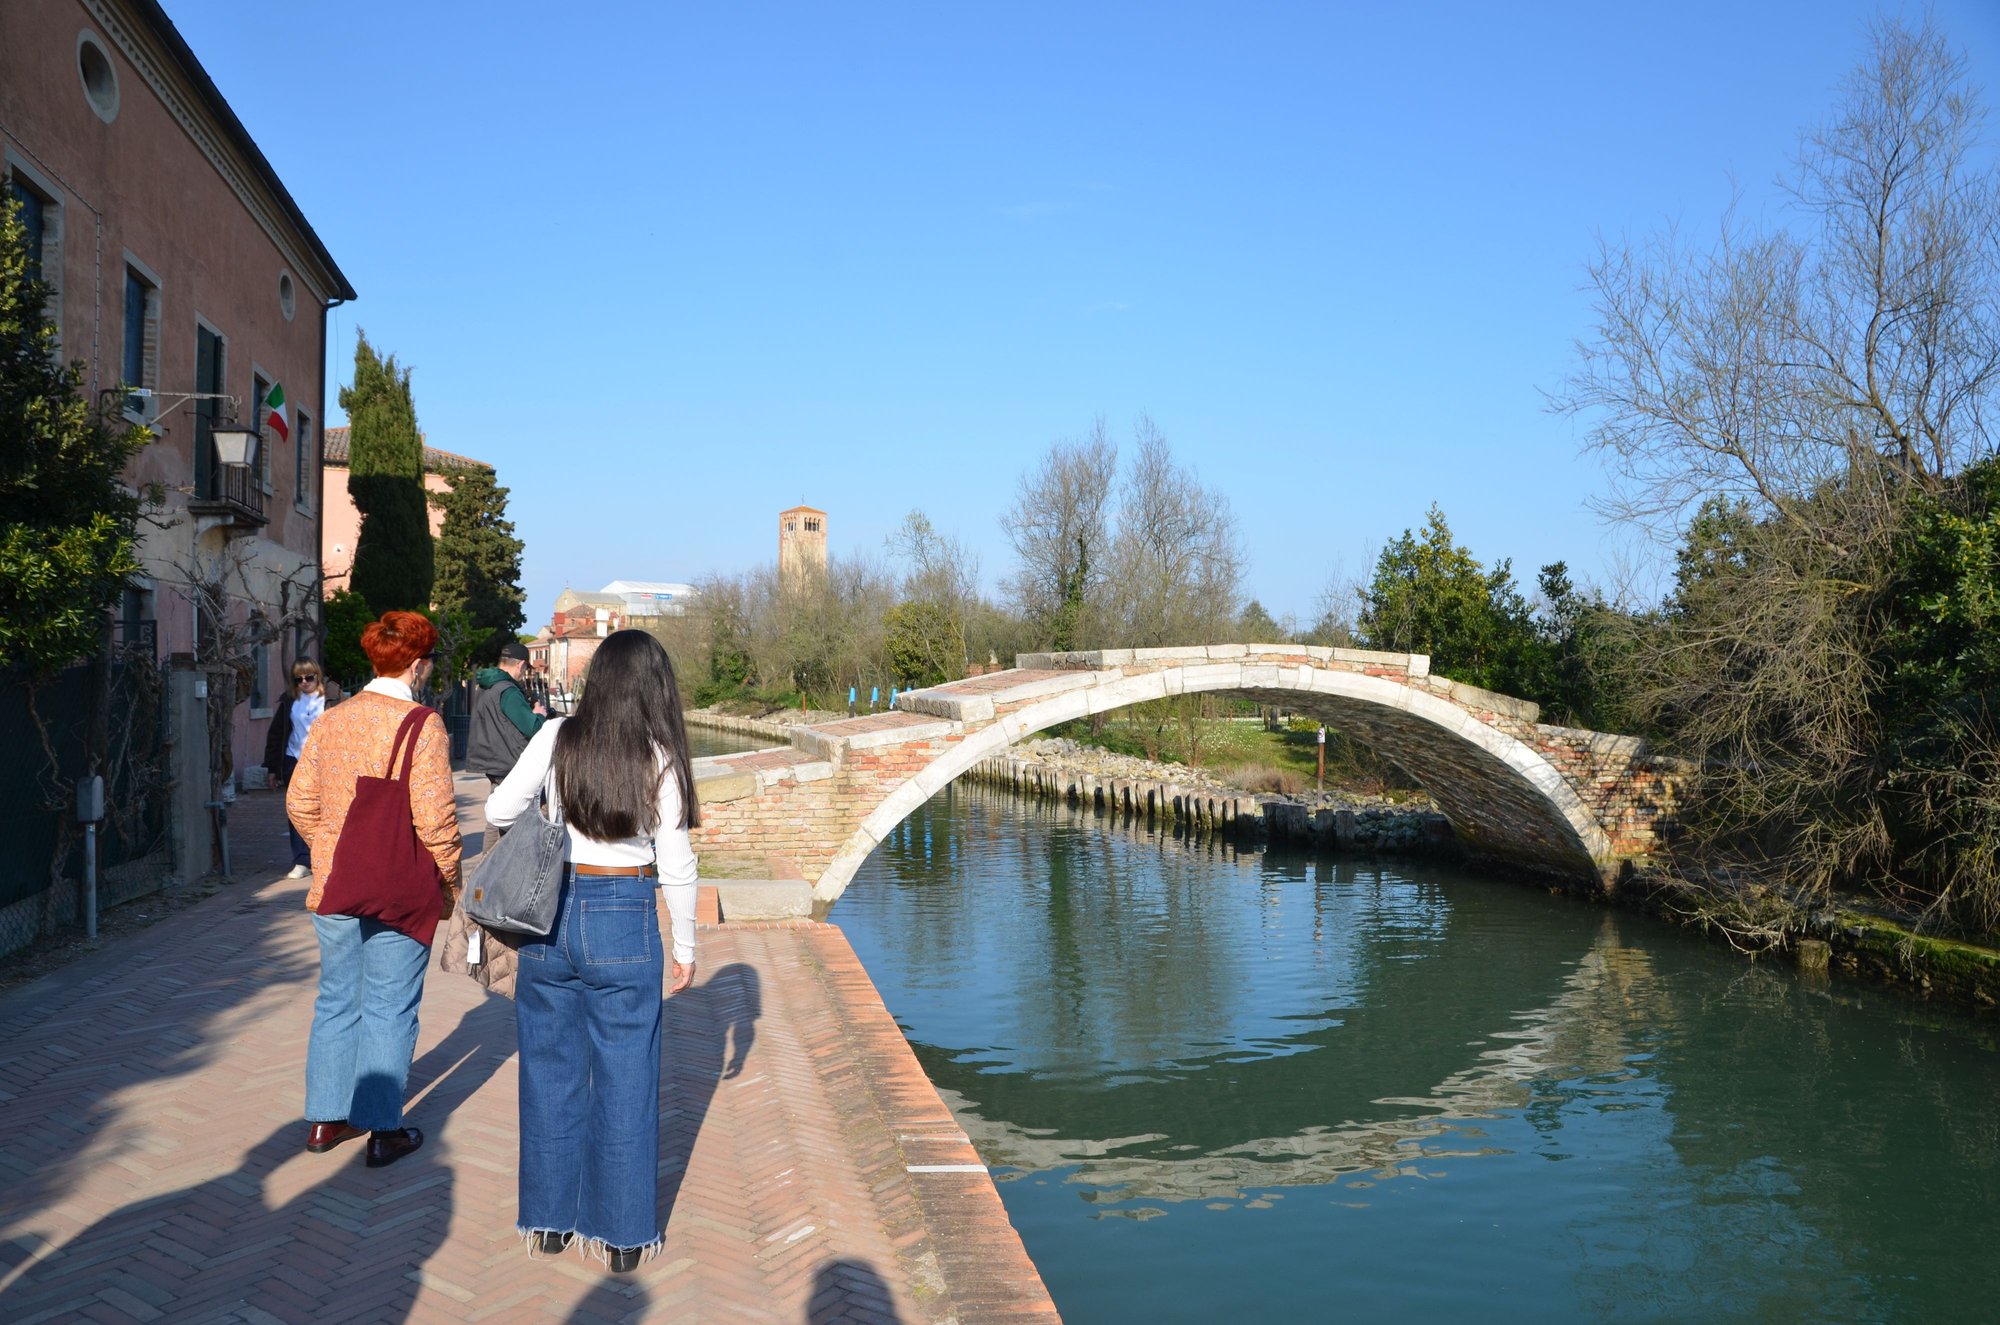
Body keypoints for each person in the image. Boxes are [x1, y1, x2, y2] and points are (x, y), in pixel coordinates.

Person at [486, 629, 699, 1273]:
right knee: (627, 1077)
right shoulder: (660, 756)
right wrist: (685, 946)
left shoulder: (555, 737)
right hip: (624, 913)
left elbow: (498, 805)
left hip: (551, 914)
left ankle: (549, 1223)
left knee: (549, 1070)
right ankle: (624, 1235)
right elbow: (679, 862)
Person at [286, 611, 462, 1168]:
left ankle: (324, 1120)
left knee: (337, 999)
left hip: (336, 886)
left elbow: (299, 801)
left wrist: (330, 849)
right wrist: (451, 880)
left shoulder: (331, 719)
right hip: (398, 888)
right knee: (389, 1006)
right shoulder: (423, 723)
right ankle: (383, 1129)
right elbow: (435, 820)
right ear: (416, 665)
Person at [264, 659, 345, 878]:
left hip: (325, 762)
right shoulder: (290, 701)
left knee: (328, 809)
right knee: (297, 810)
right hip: (295, 761)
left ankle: (329, 857)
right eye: (298, 679)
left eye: (309, 677)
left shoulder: (332, 699)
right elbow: (277, 733)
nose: (304, 682)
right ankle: (302, 860)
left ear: (317, 675)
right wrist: (272, 767)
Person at [468, 640, 548, 791]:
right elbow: (533, 728)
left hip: (493, 763)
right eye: (525, 669)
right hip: (510, 766)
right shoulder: (508, 690)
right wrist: (540, 715)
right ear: (521, 664)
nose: (524, 673)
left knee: (499, 811)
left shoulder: (485, 686)